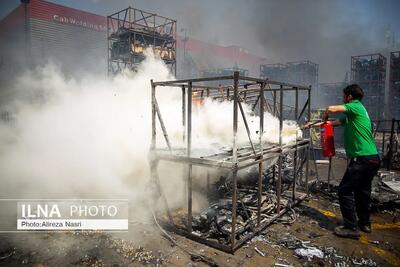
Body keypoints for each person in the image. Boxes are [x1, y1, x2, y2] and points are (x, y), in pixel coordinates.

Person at [305, 84, 380, 239]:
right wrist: (313, 124)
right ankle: (364, 223)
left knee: (344, 190)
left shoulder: (355, 106)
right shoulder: (356, 113)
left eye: (344, 96)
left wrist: (325, 114)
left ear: (350, 97)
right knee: (362, 192)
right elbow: (333, 123)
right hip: (371, 158)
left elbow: (331, 109)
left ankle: (351, 227)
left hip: (362, 158)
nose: (343, 98)